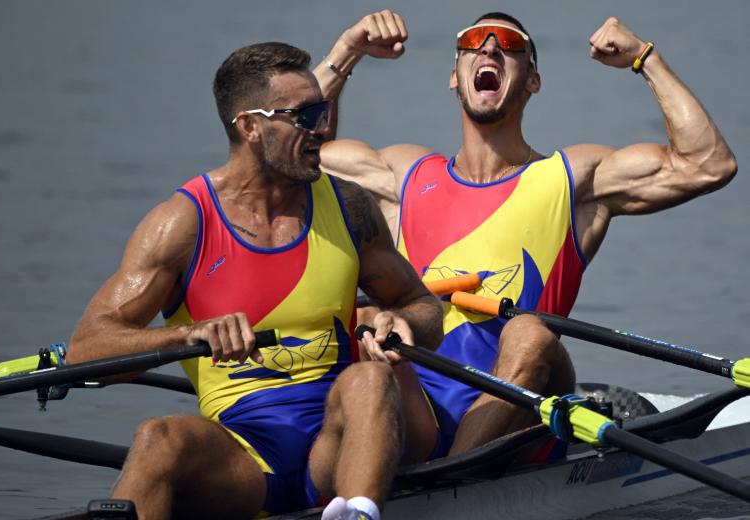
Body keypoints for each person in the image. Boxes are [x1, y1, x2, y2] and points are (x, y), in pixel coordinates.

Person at [316, 11, 737, 459]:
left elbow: (708, 165)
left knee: (530, 333)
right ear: (455, 79)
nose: (491, 48)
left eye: (511, 45)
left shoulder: (572, 180)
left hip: (521, 421)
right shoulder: (403, 177)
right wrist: (347, 50)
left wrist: (645, 59)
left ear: (533, 81)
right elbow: (292, 151)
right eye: (475, 41)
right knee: (362, 320)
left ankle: (458, 476)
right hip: (416, 409)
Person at [66, 38, 443, 520]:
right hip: (242, 457)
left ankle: (358, 510)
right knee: (157, 437)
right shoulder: (181, 225)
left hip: (338, 442)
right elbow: (85, 350)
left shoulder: (349, 207)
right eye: (304, 116)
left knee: (369, 379)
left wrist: (403, 322)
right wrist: (188, 333)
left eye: (323, 111)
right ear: (250, 127)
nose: (323, 129)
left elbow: (422, 305)